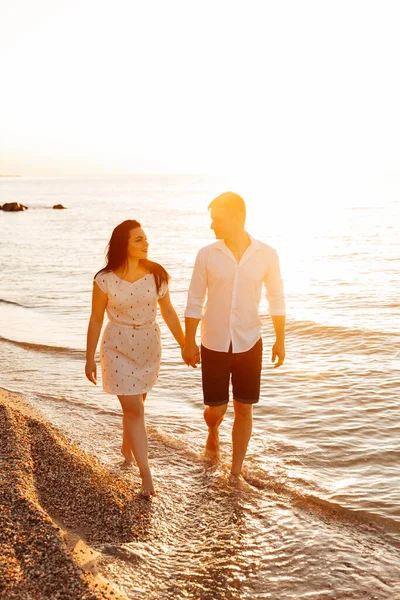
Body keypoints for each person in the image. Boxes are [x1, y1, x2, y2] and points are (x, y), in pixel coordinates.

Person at [182, 192, 286, 479]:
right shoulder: (207, 254)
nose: (212, 226)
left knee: (244, 408)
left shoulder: (267, 254)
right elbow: (194, 300)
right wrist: (188, 341)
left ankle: (235, 473)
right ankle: (212, 431)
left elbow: (276, 298)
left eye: (217, 220)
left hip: (250, 341)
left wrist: (281, 339)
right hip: (213, 342)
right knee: (216, 410)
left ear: (236, 218)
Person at [85, 219, 185, 496]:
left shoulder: (157, 275)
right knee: (135, 410)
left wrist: (186, 344)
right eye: (138, 239)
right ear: (123, 244)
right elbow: (95, 319)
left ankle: (127, 445)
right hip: (116, 346)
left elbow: (168, 312)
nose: (146, 243)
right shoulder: (104, 279)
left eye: (146, 238)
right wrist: (89, 358)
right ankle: (146, 475)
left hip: (148, 346)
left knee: (137, 403)